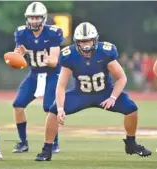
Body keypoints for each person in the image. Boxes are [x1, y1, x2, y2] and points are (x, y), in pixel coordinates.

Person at [35, 22, 152, 161]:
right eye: (82, 41)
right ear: (76, 42)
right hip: (81, 94)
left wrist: (113, 97)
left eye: (89, 40)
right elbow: (61, 85)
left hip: (105, 93)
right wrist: (60, 108)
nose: (86, 45)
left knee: (132, 109)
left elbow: (121, 78)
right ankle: (47, 150)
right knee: (53, 111)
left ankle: (131, 144)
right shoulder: (69, 55)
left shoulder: (105, 51)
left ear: (95, 39)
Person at [12, 1, 63, 153]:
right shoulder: (21, 33)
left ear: (43, 18)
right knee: (18, 105)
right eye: (31, 18)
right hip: (34, 73)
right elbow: (18, 56)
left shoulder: (53, 32)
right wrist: (17, 56)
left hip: (52, 74)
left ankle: (54, 142)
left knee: (48, 108)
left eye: (37, 18)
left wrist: (49, 60)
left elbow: (54, 61)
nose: (34, 21)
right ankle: (23, 142)